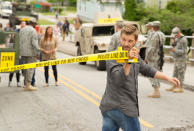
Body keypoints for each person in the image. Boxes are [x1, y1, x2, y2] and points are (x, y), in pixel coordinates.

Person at [99, 24, 180, 131]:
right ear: (120, 38)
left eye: (130, 41)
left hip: (109, 108)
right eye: (123, 39)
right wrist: (128, 61)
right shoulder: (113, 56)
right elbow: (118, 80)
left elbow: (147, 69)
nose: (126, 44)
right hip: (123, 109)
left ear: (136, 41)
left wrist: (167, 78)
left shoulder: (135, 56)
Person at [145, 21, 166, 98]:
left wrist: (146, 58)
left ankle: (156, 91)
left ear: (153, 27)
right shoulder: (162, 34)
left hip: (153, 57)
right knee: (157, 72)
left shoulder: (155, 35)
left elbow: (151, 48)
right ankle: (157, 90)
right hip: (159, 56)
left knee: (151, 73)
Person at [19, 21, 40, 91]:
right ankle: (28, 85)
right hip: (31, 53)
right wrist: (38, 51)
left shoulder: (21, 30)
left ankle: (26, 84)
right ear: (33, 24)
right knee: (30, 69)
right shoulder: (33, 30)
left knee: (25, 68)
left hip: (22, 52)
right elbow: (34, 43)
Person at [166, 27, 188, 93]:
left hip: (182, 59)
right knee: (175, 73)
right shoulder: (177, 38)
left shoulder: (184, 39)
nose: (175, 36)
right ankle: (174, 85)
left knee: (181, 73)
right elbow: (175, 45)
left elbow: (184, 51)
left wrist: (175, 50)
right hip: (177, 58)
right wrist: (172, 44)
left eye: (175, 35)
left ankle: (181, 87)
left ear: (179, 33)